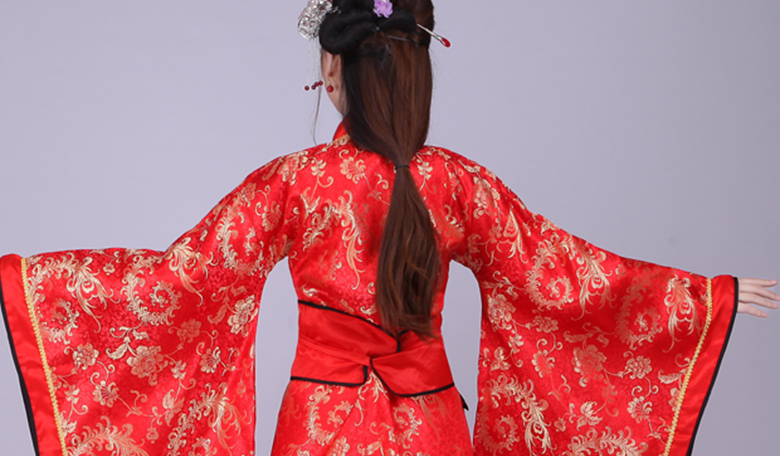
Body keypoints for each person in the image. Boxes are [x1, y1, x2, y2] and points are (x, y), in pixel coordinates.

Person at [1, 0, 777, 455]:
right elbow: (562, 274)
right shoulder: (458, 185)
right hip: (431, 420)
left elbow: (184, 280)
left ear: (331, 71)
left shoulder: (294, 183)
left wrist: (25, 283)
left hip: (320, 426)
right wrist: (697, 298)